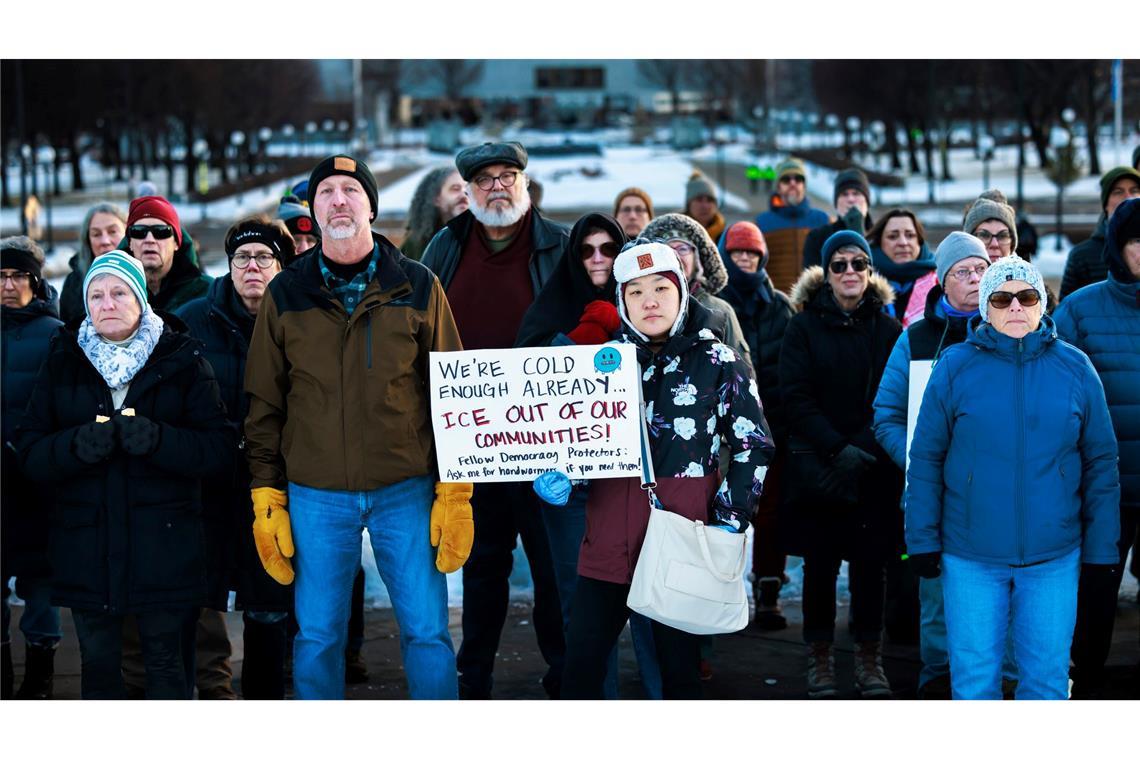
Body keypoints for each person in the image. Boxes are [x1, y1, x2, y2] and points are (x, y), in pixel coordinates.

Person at [244, 154, 470, 700]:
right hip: (316, 495)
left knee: (427, 632)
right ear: (314, 208)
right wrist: (266, 495)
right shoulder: (285, 294)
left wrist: (455, 487)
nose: (338, 201)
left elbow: (452, 394)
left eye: (350, 190)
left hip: (406, 490)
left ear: (371, 204)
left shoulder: (418, 286)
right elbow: (265, 404)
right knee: (318, 635)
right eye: (326, 193)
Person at [560, 240, 774, 699]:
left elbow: (752, 446)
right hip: (608, 543)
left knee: (678, 674)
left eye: (660, 287)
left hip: (683, 540)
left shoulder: (719, 361)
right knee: (579, 668)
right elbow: (575, 437)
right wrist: (564, 472)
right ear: (621, 301)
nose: (649, 301)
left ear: (681, 293)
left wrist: (729, 521)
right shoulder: (599, 366)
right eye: (635, 292)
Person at [14, 251, 232, 699]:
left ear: (141, 299)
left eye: (118, 292)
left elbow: (219, 449)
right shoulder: (64, 360)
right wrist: (75, 445)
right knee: (98, 667)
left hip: (166, 547)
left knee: (167, 664)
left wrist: (158, 439)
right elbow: (31, 452)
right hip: (86, 547)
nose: (107, 303)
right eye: (96, 294)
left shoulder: (183, 360)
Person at [906, 255, 1120, 700]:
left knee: (1045, 681)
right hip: (971, 557)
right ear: (986, 309)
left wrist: (1102, 549)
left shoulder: (1076, 367)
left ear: (1042, 303)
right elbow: (926, 458)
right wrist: (922, 540)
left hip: (1053, 556)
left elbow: (1101, 462)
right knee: (974, 682)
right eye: (1002, 299)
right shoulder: (954, 366)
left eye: (1027, 296)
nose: (1016, 307)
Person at [422, 141, 569, 699]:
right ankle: (474, 676)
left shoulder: (557, 244)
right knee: (483, 568)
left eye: (509, 176)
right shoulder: (446, 245)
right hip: (473, 441)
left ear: (525, 184)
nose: (498, 186)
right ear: (469, 192)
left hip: (547, 439)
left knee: (553, 566)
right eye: (485, 180)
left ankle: (565, 674)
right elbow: (419, 325)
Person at [177, 215, 296, 699]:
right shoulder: (191, 320)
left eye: (263, 257)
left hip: (274, 488)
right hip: (206, 489)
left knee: (269, 607)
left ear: (281, 265)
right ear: (227, 266)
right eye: (242, 258)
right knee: (197, 605)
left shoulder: (300, 319)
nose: (252, 267)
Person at [781, 230, 904, 699]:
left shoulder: (890, 330)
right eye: (839, 265)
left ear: (870, 271)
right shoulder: (803, 326)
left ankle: (870, 656)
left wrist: (864, 448)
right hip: (820, 465)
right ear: (826, 272)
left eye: (858, 263)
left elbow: (894, 399)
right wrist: (837, 448)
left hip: (874, 467)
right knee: (820, 566)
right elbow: (795, 395)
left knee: (872, 567)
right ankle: (820, 655)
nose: (850, 272)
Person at [872, 232, 990, 698]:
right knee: (937, 597)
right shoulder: (916, 337)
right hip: (932, 492)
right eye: (963, 271)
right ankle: (937, 679)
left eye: (982, 268)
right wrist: (919, 461)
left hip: (994, 490)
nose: (975, 279)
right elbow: (886, 415)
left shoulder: (1008, 328)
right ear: (943, 280)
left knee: (997, 593)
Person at [515, 212, 626, 698]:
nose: (598, 258)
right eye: (587, 250)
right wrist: (581, 338)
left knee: (641, 605)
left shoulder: (638, 301)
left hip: (629, 484)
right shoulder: (553, 304)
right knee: (578, 602)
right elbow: (526, 376)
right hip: (569, 485)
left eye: (608, 249)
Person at [1053, 196, 1140, 698]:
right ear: (1116, 247)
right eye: (1135, 240)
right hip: (1106, 485)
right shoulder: (1081, 310)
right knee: (1098, 594)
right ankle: (1085, 686)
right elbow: (1060, 394)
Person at [715, 221, 795, 630]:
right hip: (726, 433)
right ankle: (721, 594)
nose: (744, 259)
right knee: (726, 512)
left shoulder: (780, 305)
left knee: (772, 514)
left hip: (773, 425)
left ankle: (767, 590)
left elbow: (792, 366)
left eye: (751, 253)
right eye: (737, 253)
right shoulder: (716, 304)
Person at [1, 237, 64, 699]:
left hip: (38, 484)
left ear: (35, 280)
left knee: (41, 586)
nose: (8, 285)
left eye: (18, 275)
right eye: (0, 276)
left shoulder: (54, 334)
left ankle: (39, 679)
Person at [642, 212, 751, 365]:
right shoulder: (642, 308)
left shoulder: (721, 311)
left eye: (683, 249)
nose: (676, 256)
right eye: (667, 250)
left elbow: (743, 374)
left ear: (697, 258)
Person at [1059, 166, 1140, 301]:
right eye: (1118, 192)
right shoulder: (1082, 256)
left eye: (1135, 190)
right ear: (1106, 204)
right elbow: (1066, 310)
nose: (1128, 197)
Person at [123, 195, 211, 311]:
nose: (150, 240)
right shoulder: (111, 295)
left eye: (161, 231)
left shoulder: (208, 292)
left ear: (176, 243)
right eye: (139, 231)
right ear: (130, 243)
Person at [756, 156, 830, 294]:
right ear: (778, 186)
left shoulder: (822, 220)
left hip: (814, 305)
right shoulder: (762, 223)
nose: (793, 183)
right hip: (778, 305)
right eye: (786, 179)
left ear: (804, 185)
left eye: (798, 179)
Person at [866, 208, 936, 328]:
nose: (903, 242)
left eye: (910, 235)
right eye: (893, 236)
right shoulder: (864, 282)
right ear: (879, 242)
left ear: (919, 241)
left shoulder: (941, 282)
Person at [60, 203, 127, 324]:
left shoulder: (147, 276)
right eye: (96, 234)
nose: (105, 241)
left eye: (112, 231)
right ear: (88, 241)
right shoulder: (74, 284)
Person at [802, 168, 874, 271]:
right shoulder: (818, 237)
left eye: (856, 193)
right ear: (836, 203)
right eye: (844, 194)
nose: (850, 199)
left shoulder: (881, 235)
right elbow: (812, 279)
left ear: (867, 201)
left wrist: (859, 231)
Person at [401, 166, 468, 261]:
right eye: (455, 189)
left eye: (467, 189)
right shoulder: (415, 244)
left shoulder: (480, 237)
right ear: (435, 198)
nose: (464, 194)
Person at [683, 170, 725, 242]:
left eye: (709, 200)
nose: (705, 206)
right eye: (699, 200)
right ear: (689, 204)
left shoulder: (725, 237)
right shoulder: (676, 234)